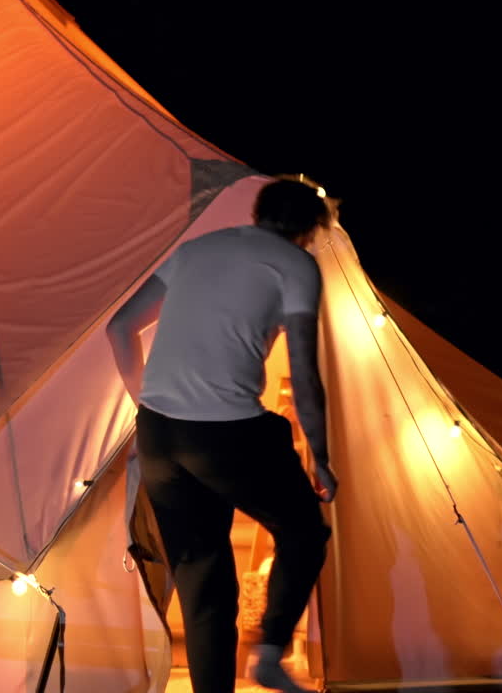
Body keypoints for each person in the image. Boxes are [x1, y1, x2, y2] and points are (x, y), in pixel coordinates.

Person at [107, 176, 338, 693]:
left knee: (202, 583)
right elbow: (303, 373)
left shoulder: (197, 250)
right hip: (225, 434)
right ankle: (271, 653)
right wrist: (320, 458)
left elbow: (120, 328)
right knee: (304, 533)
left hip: (160, 437)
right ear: (309, 228)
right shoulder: (296, 265)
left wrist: (148, 404)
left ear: (259, 212)